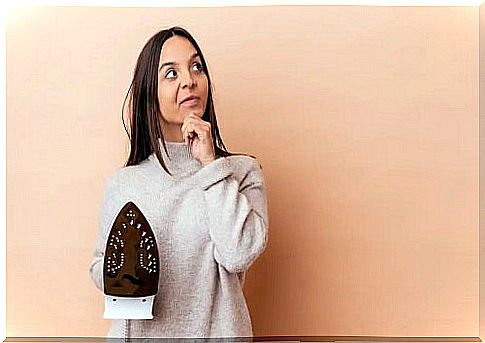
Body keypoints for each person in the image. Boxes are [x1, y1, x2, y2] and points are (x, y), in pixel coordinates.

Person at [88, 26, 269, 340]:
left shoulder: (241, 172)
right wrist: (123, 276)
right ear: (149, 91)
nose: (189, 80)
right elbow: (99, 266)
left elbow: (238, 253)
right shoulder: (124, 184)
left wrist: (210, 164)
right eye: (170, 73)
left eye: (196, 67)